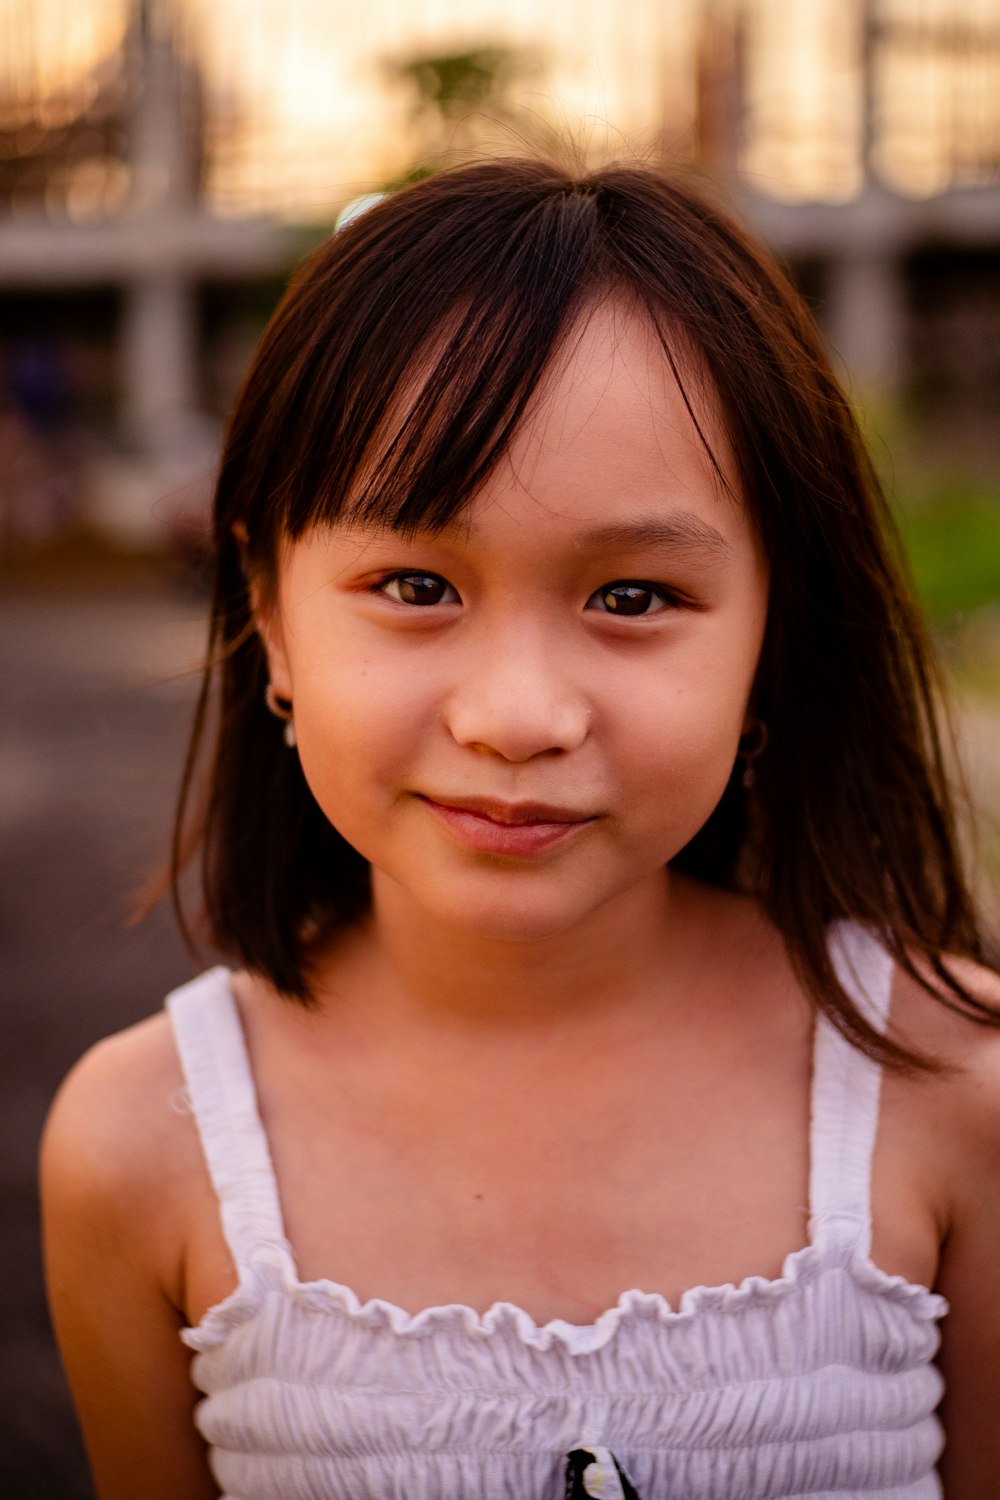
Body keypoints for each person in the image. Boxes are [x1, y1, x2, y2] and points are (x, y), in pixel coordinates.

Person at [40, 158, 1000, 1500]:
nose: (519, 715)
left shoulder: (955, 1089)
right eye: (417, 583)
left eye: (634, 596)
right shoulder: (144, 1143)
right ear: (266, 604)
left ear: (775, 632)